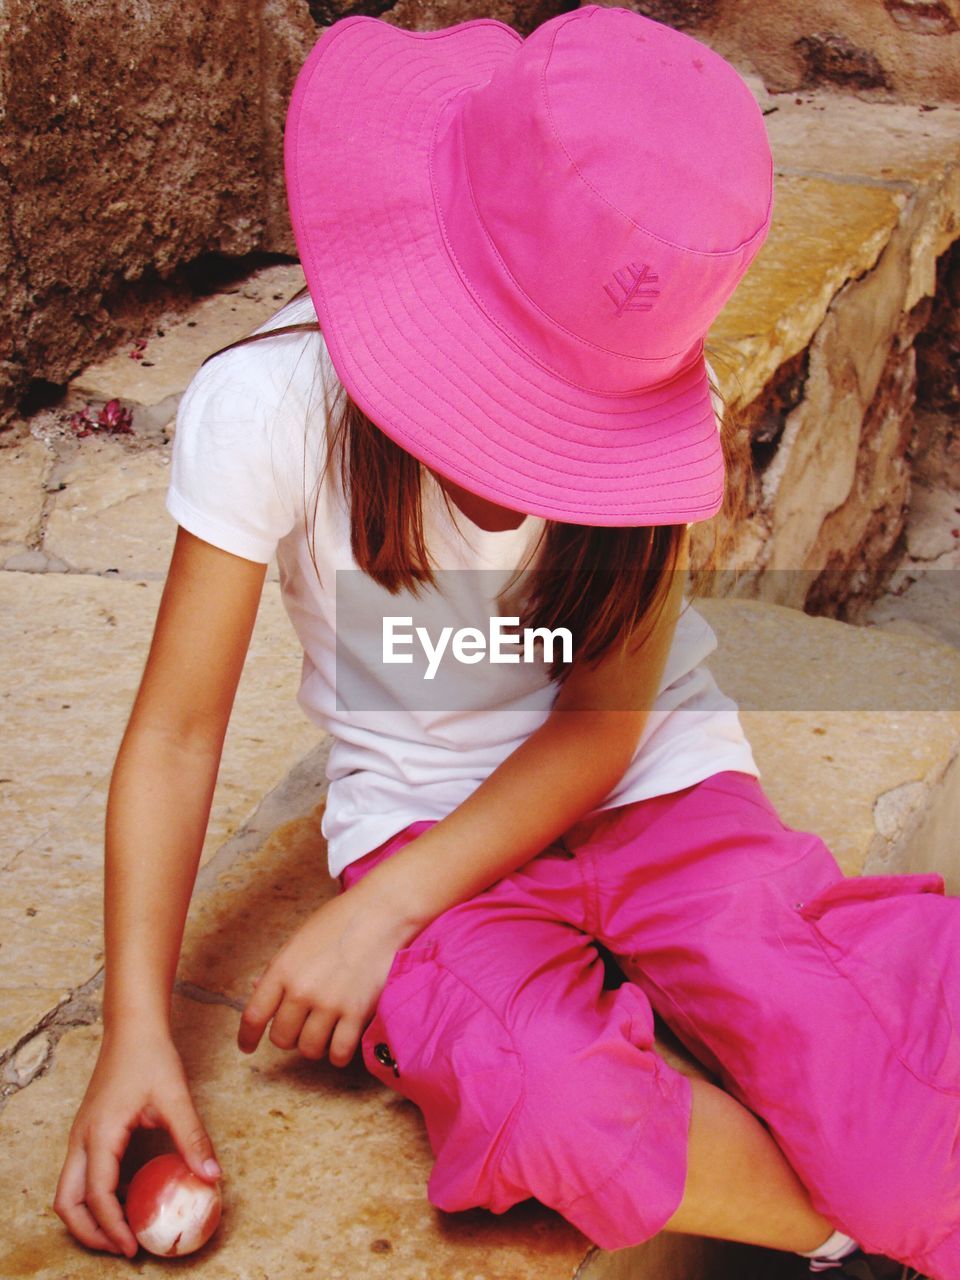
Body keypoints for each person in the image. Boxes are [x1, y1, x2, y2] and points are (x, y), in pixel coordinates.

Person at [53, 8, 958, 1278]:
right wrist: (134, 1028)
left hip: (655, 781)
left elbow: (605, 723)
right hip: (421, 822)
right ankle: (839, 1235)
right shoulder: (267, 404)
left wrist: (385, 920)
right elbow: (177, 731)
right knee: (548, 1105)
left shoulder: (658, 394)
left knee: (878, 1058)